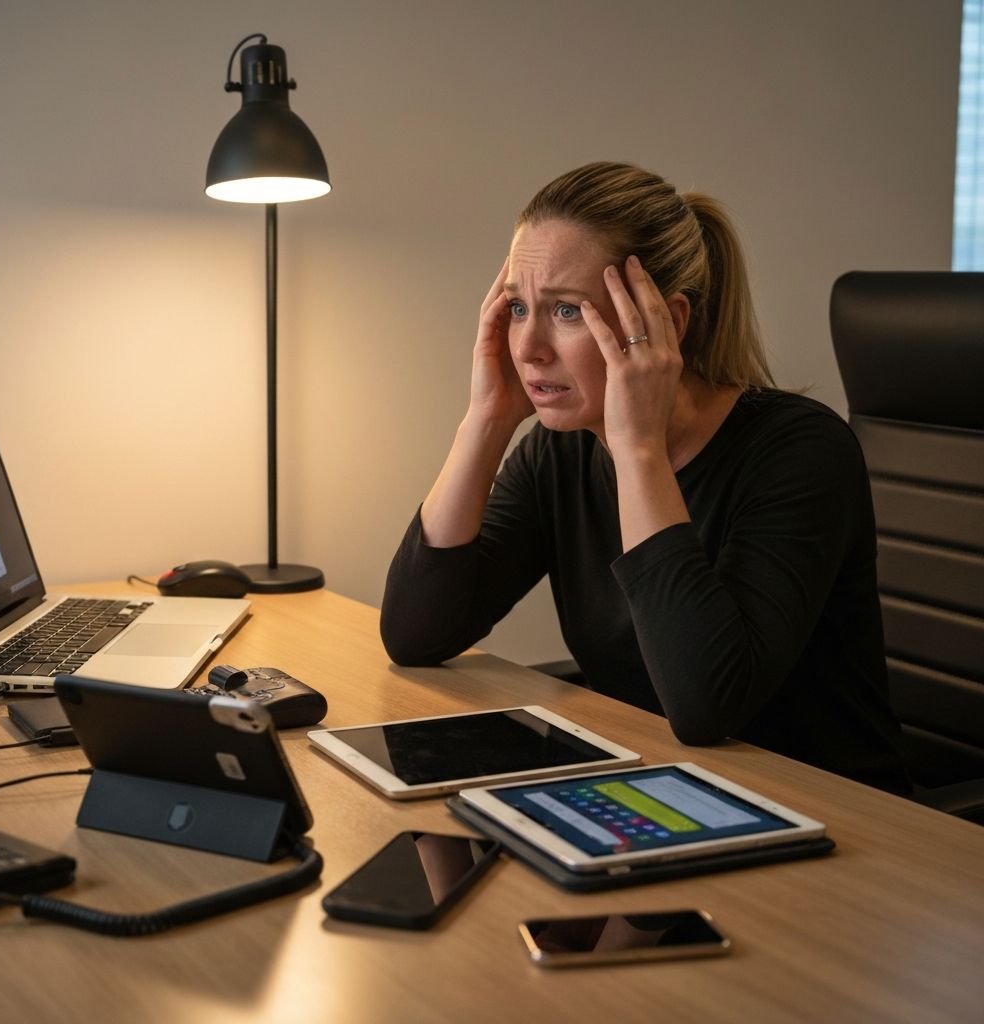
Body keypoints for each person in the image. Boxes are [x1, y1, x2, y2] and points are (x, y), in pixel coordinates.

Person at [380, 161, 909, 794]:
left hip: (834, 820)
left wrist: (637, 450)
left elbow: (707, 706)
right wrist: (486, 420)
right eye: (518, 307)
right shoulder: (562, 453)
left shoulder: (801, 451)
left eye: (567, 312)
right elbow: (416, 633)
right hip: (656, 787)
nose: (528, 347)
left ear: (668, 325)